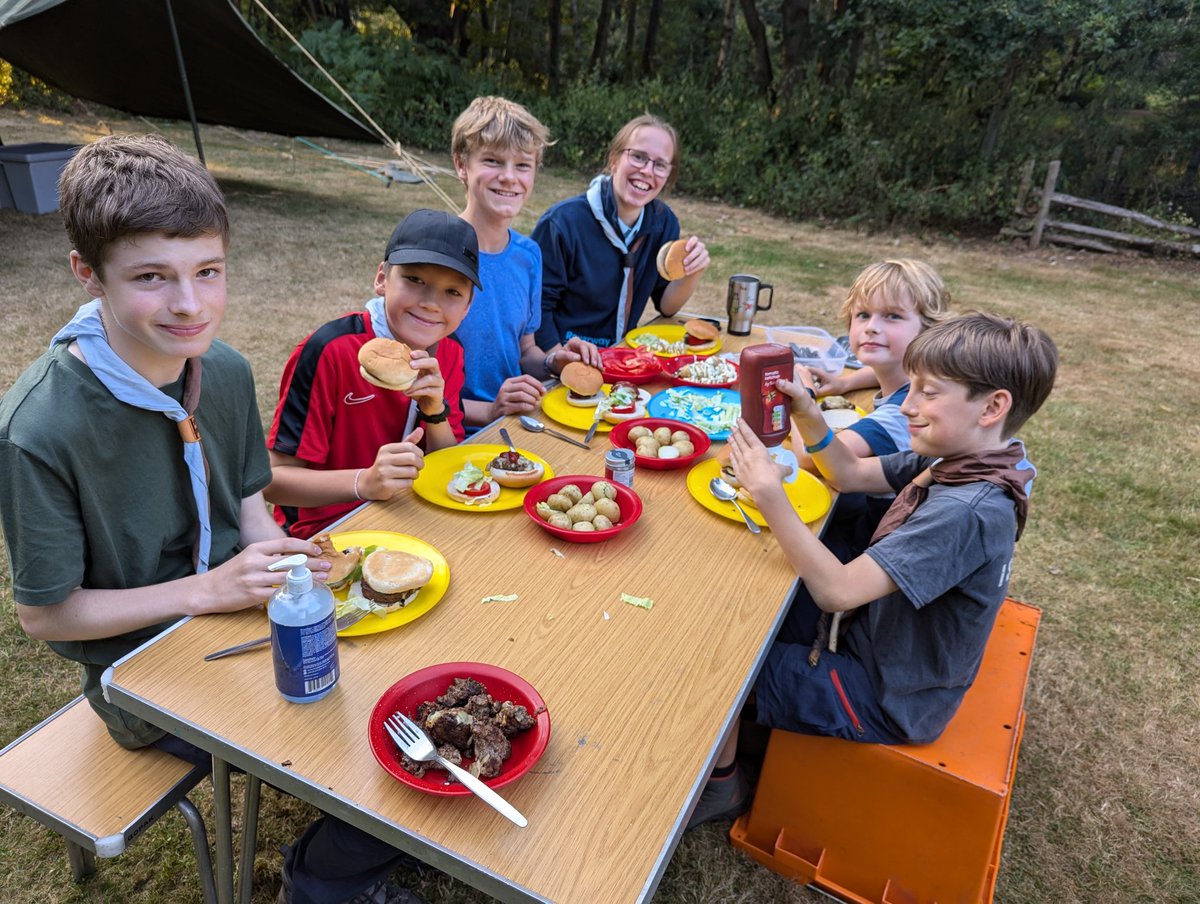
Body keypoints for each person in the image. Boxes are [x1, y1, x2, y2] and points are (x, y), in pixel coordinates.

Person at [0, 134, 329, 755]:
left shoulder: (222, 370)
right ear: (87, 273)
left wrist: (293, 575)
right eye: (151, 276)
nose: (189, 305)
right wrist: (207, 591)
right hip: (139, 672)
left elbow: (250, 509)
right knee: (320, 740)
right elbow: (46, 614)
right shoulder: (38, 428)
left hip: (240, 611)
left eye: (208, 272)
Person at [687, 311, 1058, 829]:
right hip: (873, 634)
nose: (906, 405)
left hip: (887, 691)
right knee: (737, 607)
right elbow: (850, 471)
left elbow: (837, 591)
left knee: (718, 663)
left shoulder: (967, 509)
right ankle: (751, 726)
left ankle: (723, 785)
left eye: (927, 393)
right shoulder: (966, 457)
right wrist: (809, 414)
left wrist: (769, 493)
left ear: (993, 406)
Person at [266, 209, 480, 538]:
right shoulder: (331, 351)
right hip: (328, 530)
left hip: (412, 516)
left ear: (467, 307)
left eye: (452, 292)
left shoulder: (451, 352)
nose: (431, 303)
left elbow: (448, 466)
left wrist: (434, 411)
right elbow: (273, 482)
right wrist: (364, 481)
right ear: (382, 278)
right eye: (415, 280)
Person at [448, 96, 600, 431]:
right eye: (492, 161)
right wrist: (488, 411)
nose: (508, 177)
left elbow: (525, 351)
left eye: (522, 165)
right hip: (453, 434)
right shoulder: (438, 251)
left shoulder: (528, 255)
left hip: (516, 424)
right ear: (461, 164)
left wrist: (553, 361)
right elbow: (413, 384)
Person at [797, 259, 953, 559]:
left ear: (928, 331)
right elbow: (886, 371)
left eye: (892, 316)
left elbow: (810, 457)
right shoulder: (915, 376)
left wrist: (799, 400)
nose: (872, 327)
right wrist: (846, 383)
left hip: (874, 542)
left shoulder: (905, 413)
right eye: (863, 315)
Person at [532, 113, 710, 351]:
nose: (647, 171)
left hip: (622, 359)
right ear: (614, 159)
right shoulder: (563, 223)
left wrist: (692, 272)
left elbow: (666, 306)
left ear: (668, 175)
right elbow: (536, 308)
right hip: (563, 356)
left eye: (659, 165)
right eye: (638, 157)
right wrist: (560, 361)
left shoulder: (664, 223)